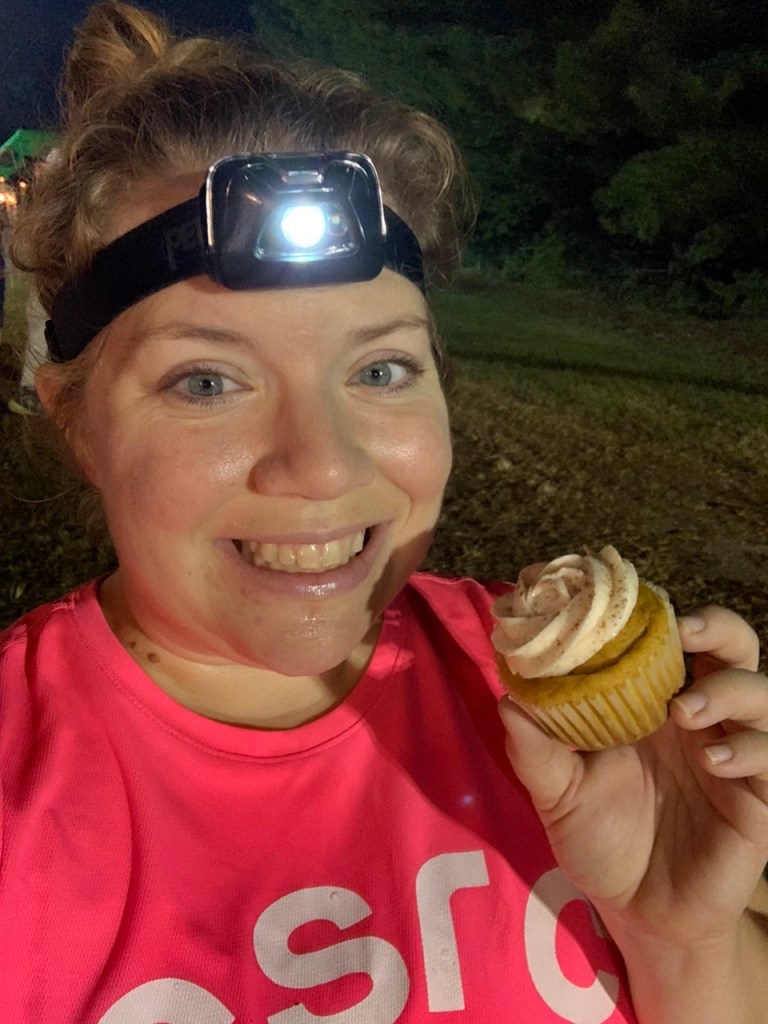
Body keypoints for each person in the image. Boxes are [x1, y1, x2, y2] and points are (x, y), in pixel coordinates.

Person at [2, 3, 767, 1022]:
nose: (324, 467)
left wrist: (685, 941)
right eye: (206, 382)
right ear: (76, 422)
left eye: (382, 366)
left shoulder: (557, 701)